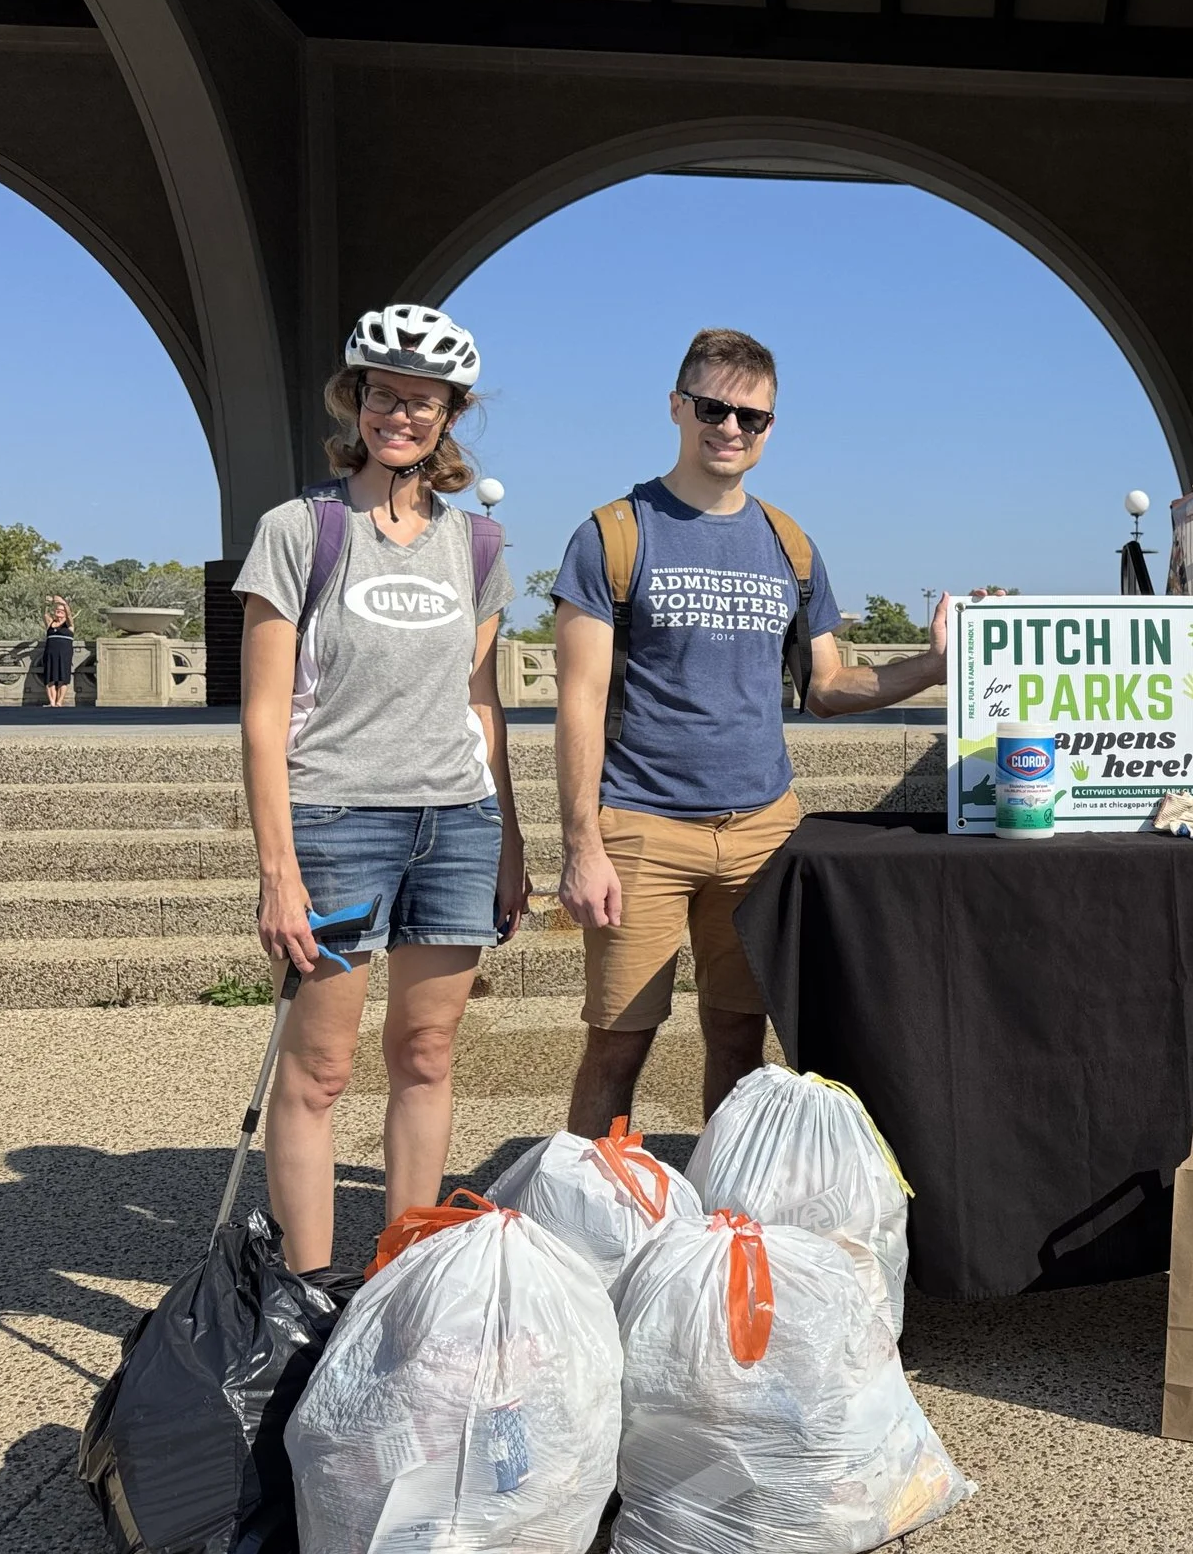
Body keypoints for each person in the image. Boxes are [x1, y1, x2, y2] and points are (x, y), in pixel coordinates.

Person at [552, 327, 951, 1135]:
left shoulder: (789, 544)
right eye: (713, 407)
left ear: (771, 429)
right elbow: (580, 702)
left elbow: (830, 686)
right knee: (617, 1044)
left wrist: (936, 666)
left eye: (752, 417)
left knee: (740, 1038)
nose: (730, 427)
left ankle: (720, 1220)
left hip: (763, 828)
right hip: (643, 827)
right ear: (677, 406)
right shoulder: (615, 533)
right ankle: (581, 1227)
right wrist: (581, 844)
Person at [235, 303, 528, 1297]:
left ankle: (408, 1280)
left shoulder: (478, 547)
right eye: (385, 394)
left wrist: (511, 844)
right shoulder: (300, 531)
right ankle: (307, 1298)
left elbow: (483, 702)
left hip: (455, 824)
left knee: (428, 1052)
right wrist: (277, 872)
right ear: (355, 401)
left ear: (451, 416)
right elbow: (263, 715)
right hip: (337, 824)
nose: (402, 413)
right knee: (318, 1075)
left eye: (425, 400)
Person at [39, 596, 75, 709]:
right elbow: (43, 614)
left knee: (63, 678)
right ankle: (52, 702)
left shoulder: (69, 625)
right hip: (50, 654)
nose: (59, 611)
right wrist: (46, 604)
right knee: (50, 678)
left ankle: (59, 702)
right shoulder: (50, 623)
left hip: (64, 654)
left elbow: (69, 615)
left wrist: (64, 603)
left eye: (61, 610)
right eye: (57, 609)